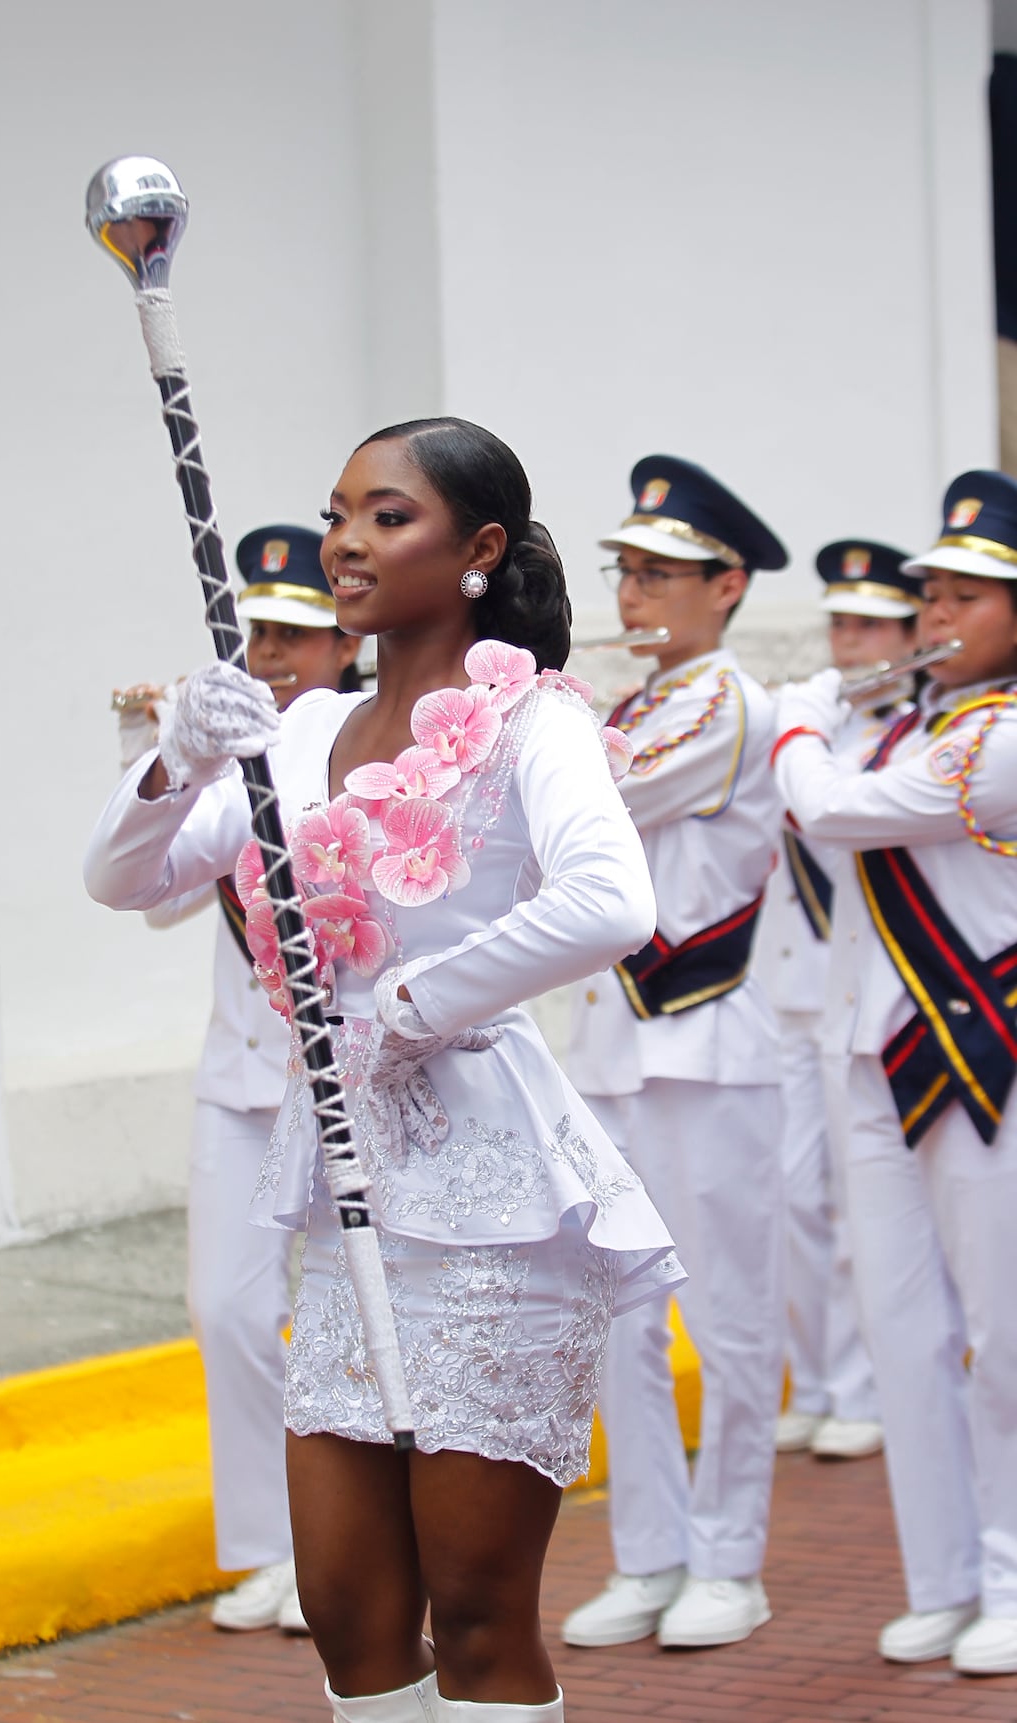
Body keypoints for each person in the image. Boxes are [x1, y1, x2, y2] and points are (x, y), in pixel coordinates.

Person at [86, 416, 685, 1723]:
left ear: (477, 548)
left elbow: (609, 899)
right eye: (339, 511)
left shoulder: (533, 720)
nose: (347, 541)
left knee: (474, 1612)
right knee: (350, 1610)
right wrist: (181, 750)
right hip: (346, 1206)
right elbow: (124, 877)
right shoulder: (301, 735)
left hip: (493, 1214)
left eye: (387, 515)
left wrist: (415, 999)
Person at [772, 471, 1017, 1676]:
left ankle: (1014, 1575)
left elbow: (835, 812)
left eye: (970, 596)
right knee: (904, 1327)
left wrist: (797, 722)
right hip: (873, 1052)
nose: (936, 617)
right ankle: (944, 1578)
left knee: (1005, 1332)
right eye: (934, 594)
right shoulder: (915, 716)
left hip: (985, 1053)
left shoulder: (1004, 736)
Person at [114, 526, 360, 1637]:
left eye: (295, 635)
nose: (270, 655)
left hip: (343, 1081)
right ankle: (268, 1545)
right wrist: (149, 742)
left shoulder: (355, 749)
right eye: (256, 632)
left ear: (344, 645)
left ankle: (344, 1547)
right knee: (227, 1307)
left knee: (348, 1317)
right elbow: (153, 895)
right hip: (241, 1077)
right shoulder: (222, 763)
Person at [560, 455, 787, 1651]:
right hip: (615, 1049)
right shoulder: (632, 703)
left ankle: (732, 1559)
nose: (636, 592)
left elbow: (599, 806)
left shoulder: (723, 702)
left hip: (715, 1041)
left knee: (734, 1318)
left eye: (661, 573)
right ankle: (649, 1554)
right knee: (621, 1321)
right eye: (629, 570)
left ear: (728, 583)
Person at [758, 542, 920, 1462]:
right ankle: (814, 1383)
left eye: (868, 624)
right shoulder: (810, 721)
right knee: (789, 1197)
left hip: (865, 996)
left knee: (863, 1207)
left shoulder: (902, 734)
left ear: (906, 634)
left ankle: (861, 1389)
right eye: (841, 623)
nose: (848, 641)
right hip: (787, 989)